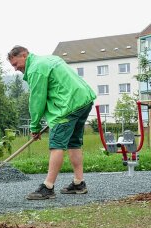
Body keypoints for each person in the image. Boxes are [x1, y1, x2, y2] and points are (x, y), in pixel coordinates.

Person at [7, 46, 96, 200]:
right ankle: (79, 183)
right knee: (74, 142)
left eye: (16, 64)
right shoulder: (49, 59)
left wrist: (34, 126)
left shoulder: (35, 68)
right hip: (83, 100)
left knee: (57, 144)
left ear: (24, 55)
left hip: (67, 106)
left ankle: (48, 187)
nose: (16, 69)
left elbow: (37, 99)